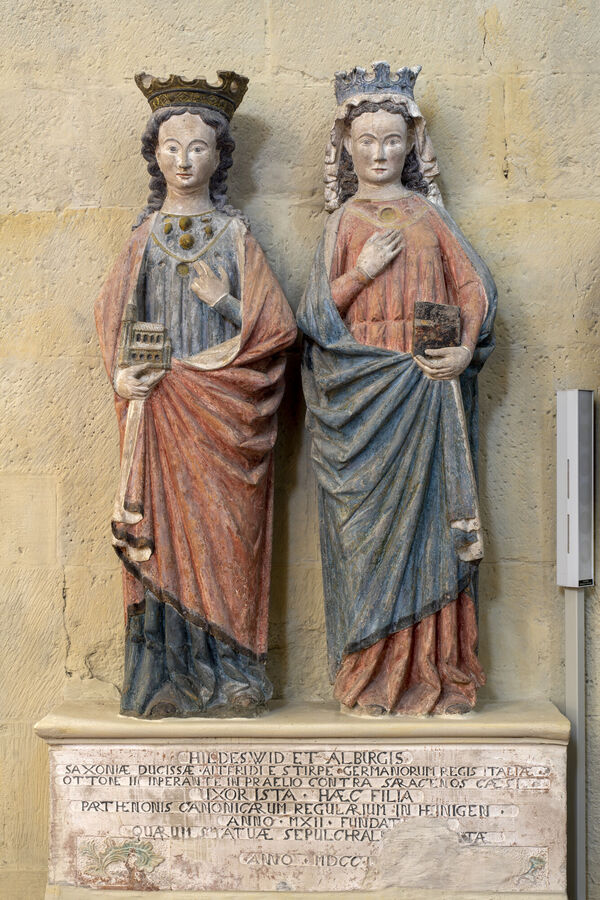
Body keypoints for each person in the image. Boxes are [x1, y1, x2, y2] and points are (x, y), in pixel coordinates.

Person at [297, 63, 497, 715]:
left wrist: (463, 349)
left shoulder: (427, 216)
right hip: (361, 402)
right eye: (367, 141)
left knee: (432, 536)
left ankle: (433, 673)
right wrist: (360, 272)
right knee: (367, 543)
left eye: (391, 140)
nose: (379, 152)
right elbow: (314, 318)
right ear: (347, 149)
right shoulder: (343, 223)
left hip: (426, 391)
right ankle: (372, 677)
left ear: (411, 145)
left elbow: (473, 290)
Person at [95, 72, 296, 718]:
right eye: (171, 148)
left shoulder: (236, 239)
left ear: (220, 156)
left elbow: (277, 330)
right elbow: (113, 327)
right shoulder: (143, 240)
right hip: (160, 417)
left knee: (228, 543)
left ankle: (233, 672)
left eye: (198, 148)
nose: (184, 161)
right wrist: (127, 380)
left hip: (223, 419)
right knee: (161, 539)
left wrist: (223, 299)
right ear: (154, 155)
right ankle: (162, 677)